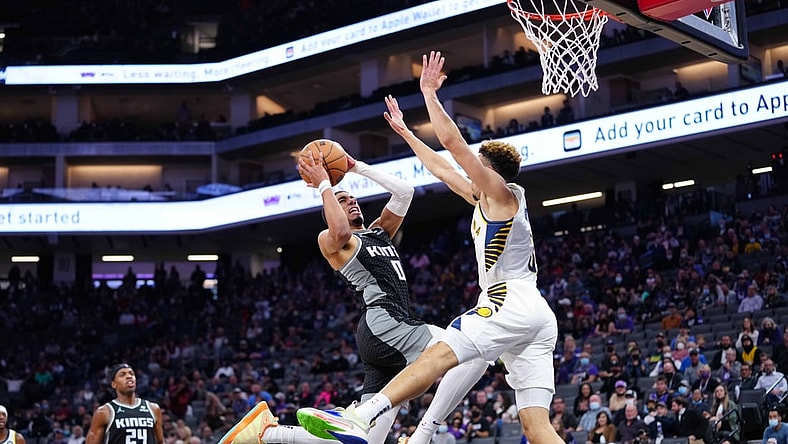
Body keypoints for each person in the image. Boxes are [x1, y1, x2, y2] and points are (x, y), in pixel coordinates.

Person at [297, 50, 561, 444]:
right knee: (536, 428)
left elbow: (453, 144)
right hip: (536, 315)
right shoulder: (483, 200)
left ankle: (367, 418)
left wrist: (429, 94)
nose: (468, 167)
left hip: (510, 300)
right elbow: (441, 168)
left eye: (477, 163)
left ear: (487, 170)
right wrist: (405, 134)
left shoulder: (502, 194)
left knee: (442, 349)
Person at [223, 127, 488, 444]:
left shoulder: (378, 232)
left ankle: (270, 433)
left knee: (367, 440)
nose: (351, 202)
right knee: (472, 352)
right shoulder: (331, 241)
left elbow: (405, 192)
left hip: (383, 335)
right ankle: (423, 435)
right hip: (383, 321)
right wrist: (324, 184)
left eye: (352, 198)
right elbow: (340, 230)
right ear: (328, 209)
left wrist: (355, 166)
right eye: (342, 200)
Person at [85, 363, 164, 444]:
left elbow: (160, 442)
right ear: (114, 384)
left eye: (131, 374)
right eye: (122, 375)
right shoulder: (104, 412)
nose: (129, 376)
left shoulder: (153, 408)